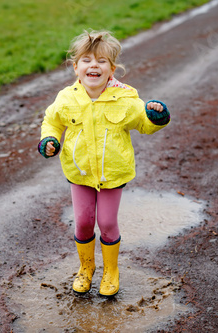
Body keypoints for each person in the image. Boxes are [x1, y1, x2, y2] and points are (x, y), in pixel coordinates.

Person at [38, 29, 170, 297]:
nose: (93, 65)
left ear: (112, 69)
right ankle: (86, 268)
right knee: (84, 222)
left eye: (101, 61)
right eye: (86, 60)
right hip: (79, 172)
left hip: (112, 172)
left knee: (107, 222)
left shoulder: (126, 99)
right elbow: (52, 121)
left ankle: (111, 271)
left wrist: (156, 117)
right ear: (76, 68)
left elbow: (144, 124)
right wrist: (49, 140)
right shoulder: (66, 98)